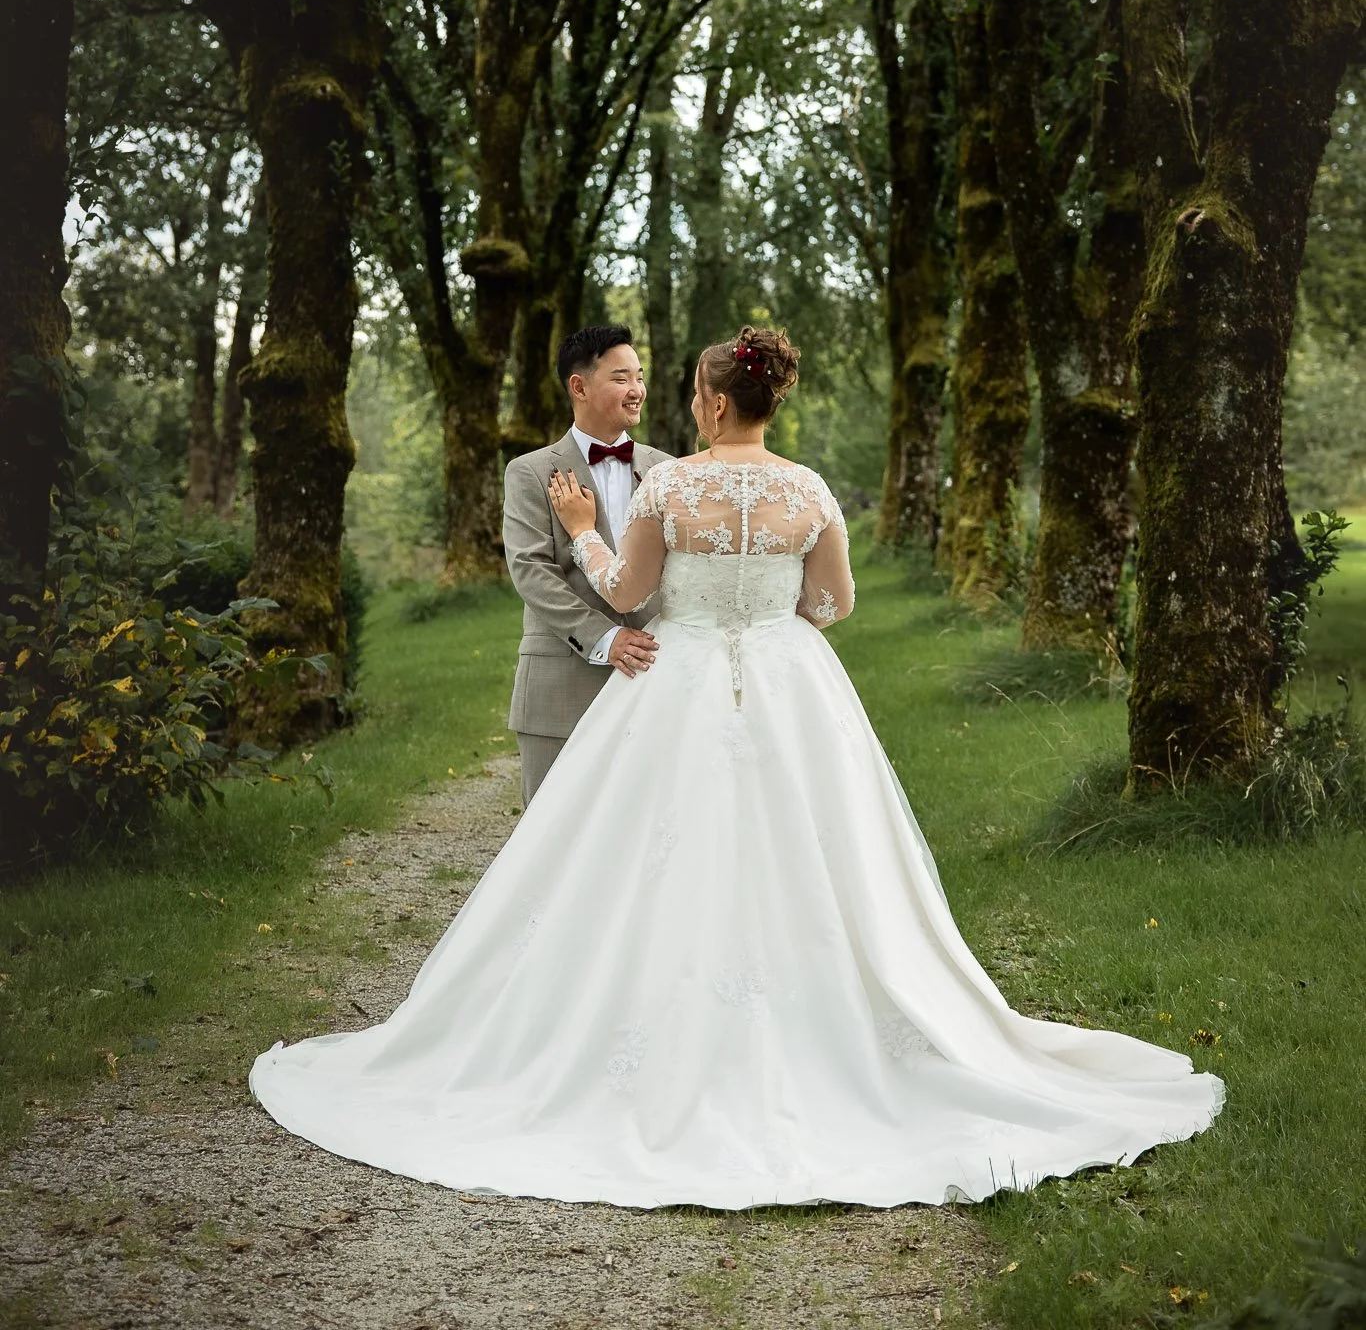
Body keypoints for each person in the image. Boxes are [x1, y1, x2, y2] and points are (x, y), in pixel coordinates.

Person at [249, 325, 1223, 1209]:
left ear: (712, 402)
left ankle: (625, 1038)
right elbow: (833, 601)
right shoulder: (807, 491)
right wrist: (774, 628)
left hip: (677, 681)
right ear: (768, 400)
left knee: (643, 854)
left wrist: (587, 530)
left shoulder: (672, 486)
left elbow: (629, 588)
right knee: (816, 856)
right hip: (790, 680)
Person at [501, 323, 672, 808]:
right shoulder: (530, 472)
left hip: (653, 678)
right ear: (579, 386)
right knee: (550, 835)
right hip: (561, 687)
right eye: (621, 378)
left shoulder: (666, 470)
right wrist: (606, 637)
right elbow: (531, 570)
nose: (637, 389)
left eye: (640, 376)